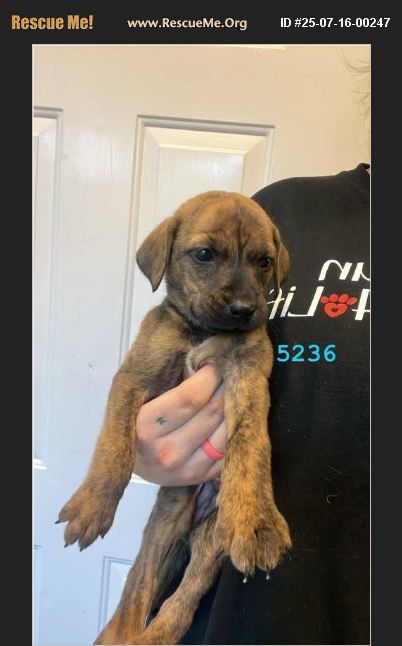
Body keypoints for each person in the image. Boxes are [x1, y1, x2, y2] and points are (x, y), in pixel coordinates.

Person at [134, 163, 370, 645]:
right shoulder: (282, 207)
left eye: (261, 266)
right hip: (224, 604)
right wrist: (149, 446)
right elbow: (183, 358)